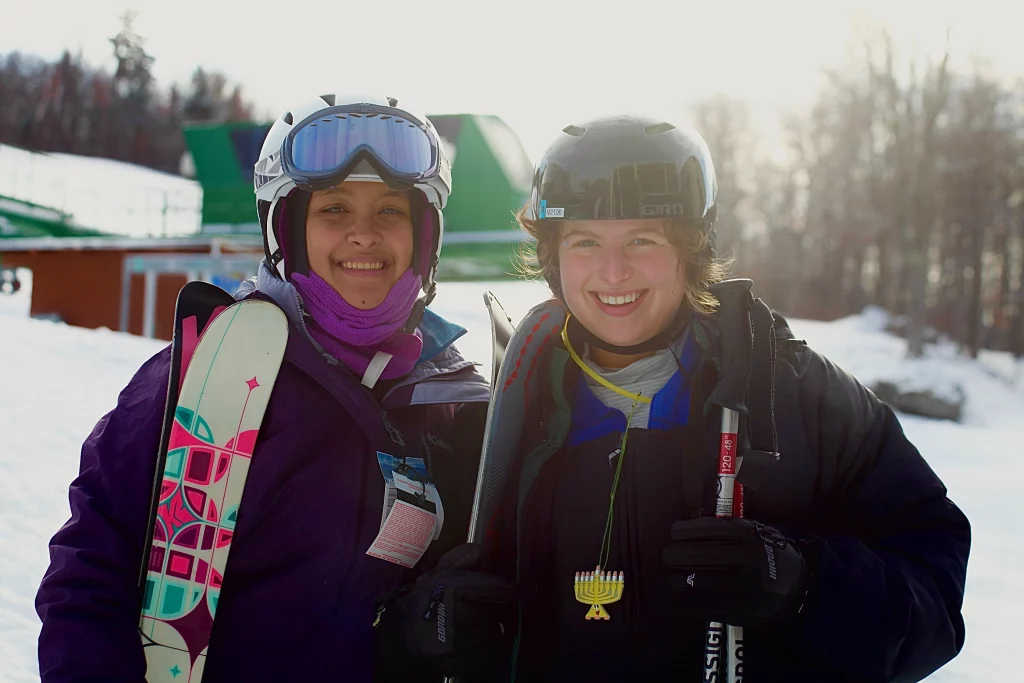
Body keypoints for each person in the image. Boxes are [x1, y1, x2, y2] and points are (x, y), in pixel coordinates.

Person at [375, 115, 971, 682]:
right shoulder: (501, 416)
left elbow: (933, 599)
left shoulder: (794, 395)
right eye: (584, 241)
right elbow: (397, 602)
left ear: (691, 248)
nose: (612, 273)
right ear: (552, 256)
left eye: (641, 240)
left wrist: (805, 585)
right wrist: (422, 631)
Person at [34, 93, 490, 682]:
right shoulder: (212, 372)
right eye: (333, 210)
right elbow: (92, 572)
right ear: (287, 229)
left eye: (390, 212)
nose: (363, 235)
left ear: (424, 233)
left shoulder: (452, 399)